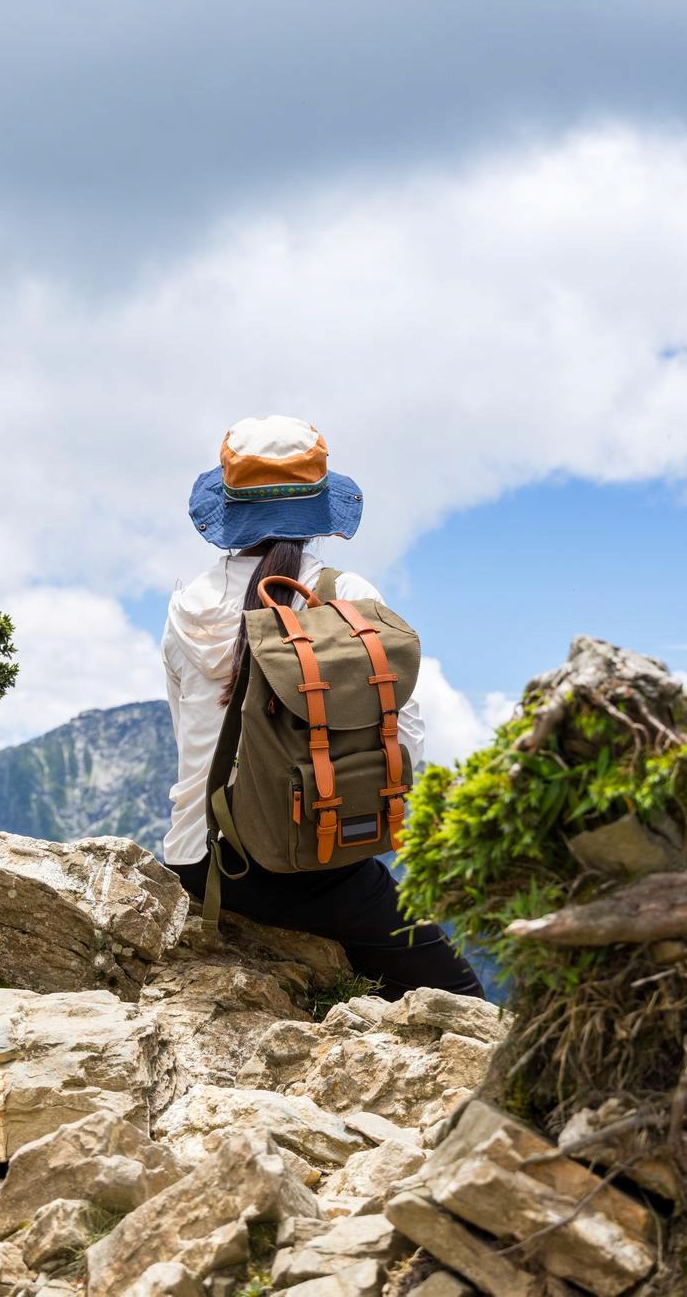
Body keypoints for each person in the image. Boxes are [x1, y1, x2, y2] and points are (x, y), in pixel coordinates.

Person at [161, 415, 483, 1000]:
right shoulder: (348, 597)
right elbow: (402, 738)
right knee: (460, 999)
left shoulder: (186, 606)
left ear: (230, 506)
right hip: (312, 864)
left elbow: (192, 744)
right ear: (318, 505)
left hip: (199, 864)